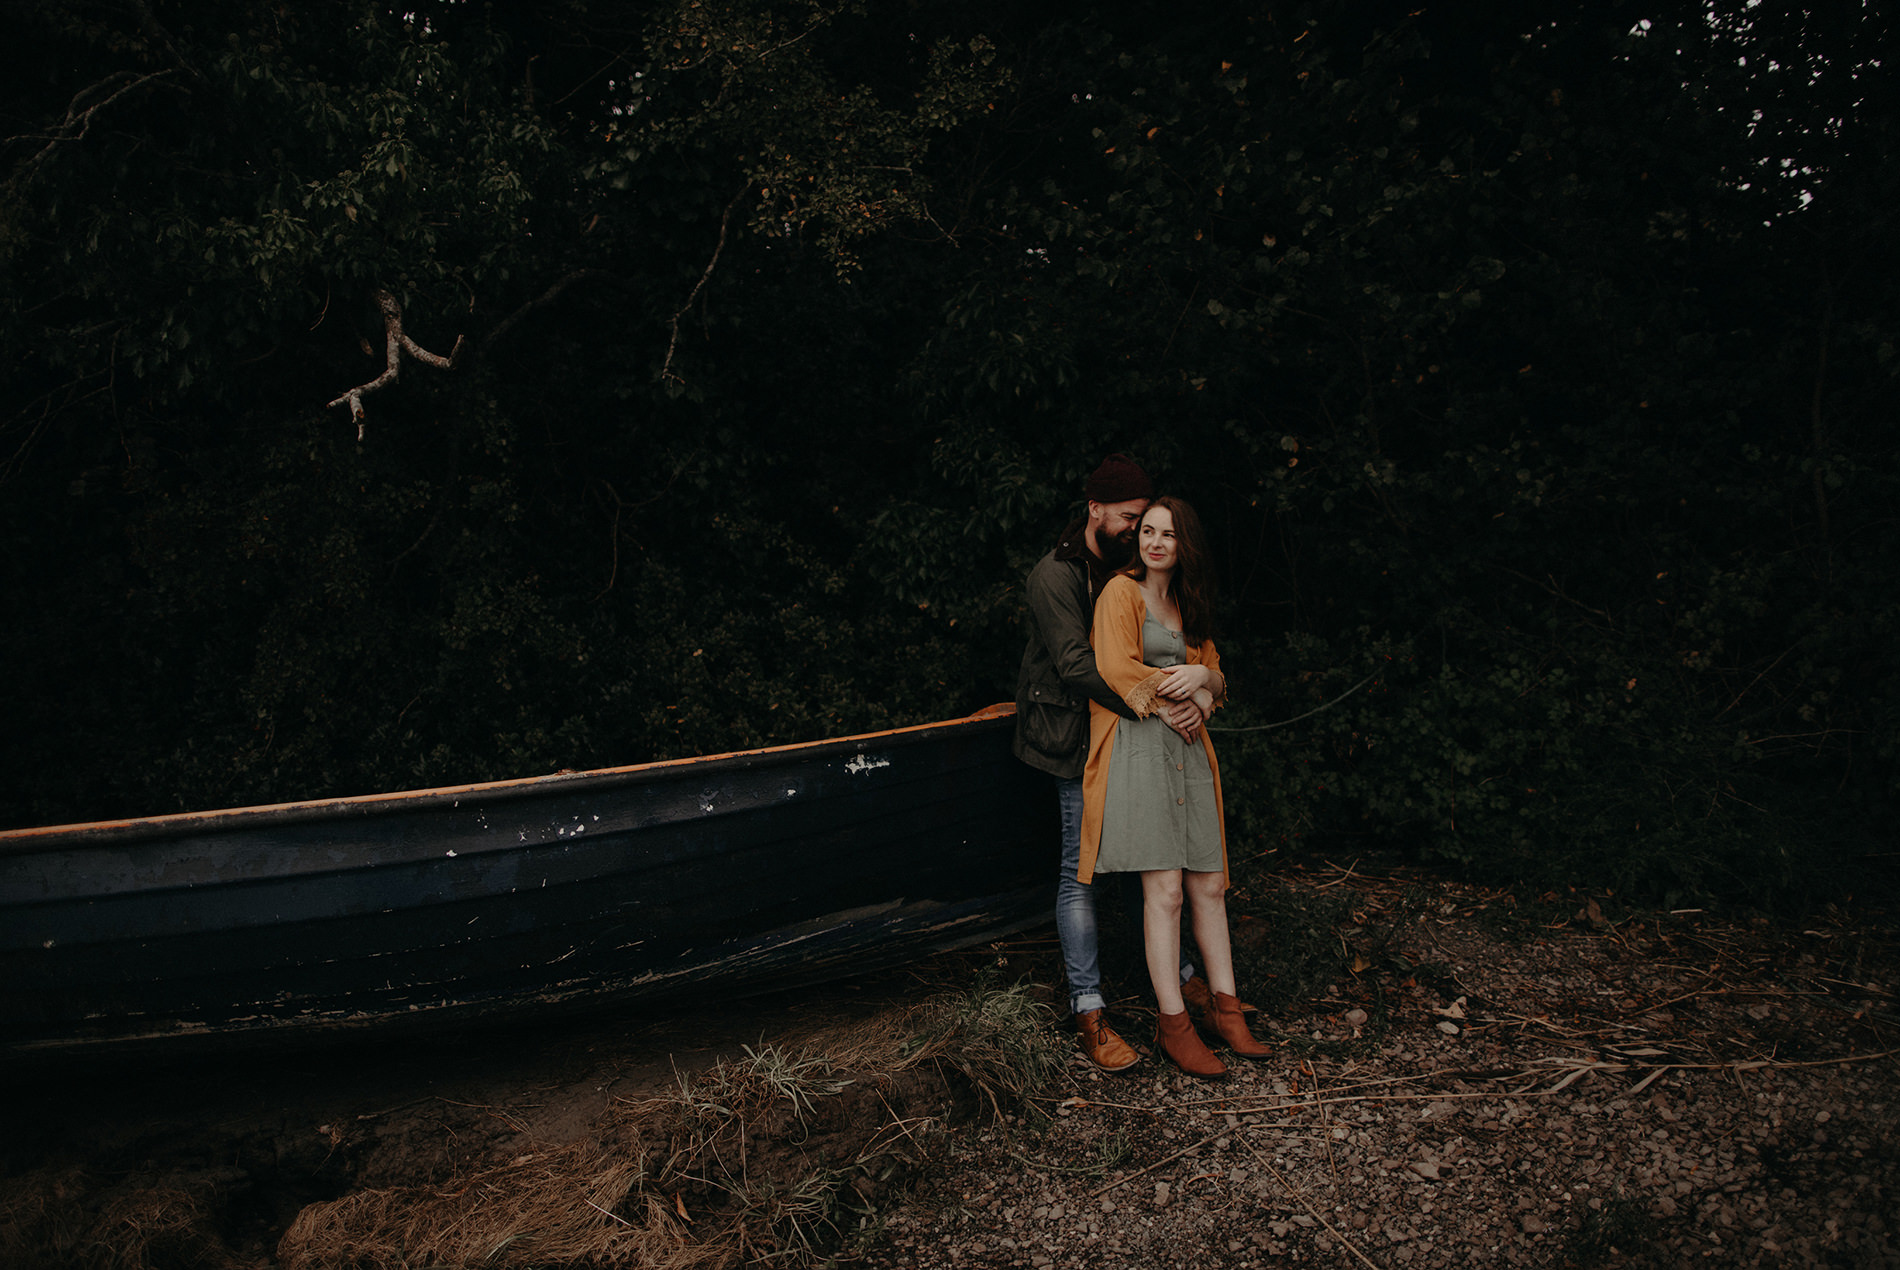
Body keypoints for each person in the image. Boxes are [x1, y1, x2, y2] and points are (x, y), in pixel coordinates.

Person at [1013, 457, 1220, 1072]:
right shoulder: (1055, 576)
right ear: (1094, 509)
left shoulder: (1128, 568)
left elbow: (1179, 645)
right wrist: (1171, 701)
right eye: (1130, 519)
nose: (1139, 531)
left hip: (1125, 735)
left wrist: (1204, 684)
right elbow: (1081, 667)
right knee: (1080, 875)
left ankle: (1182, 982)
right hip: (1073, 739)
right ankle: (1089, 1008)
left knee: (1148, 867)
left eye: (1145, 521)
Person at [1079, 496, 1270, 1078]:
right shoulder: (1120, 592)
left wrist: (1205, 687)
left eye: (1168, 534)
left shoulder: (1187, 601)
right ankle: (1174, 1023)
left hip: (1190, 755)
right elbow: (1114, 667)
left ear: (1185, 544)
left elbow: (1213, 668)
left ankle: (1227, 1010)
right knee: (1165, 892)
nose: (1155, 542)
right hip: (1139, 750)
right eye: (1148, 531)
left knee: (1209, 886)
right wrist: (1174, 701)